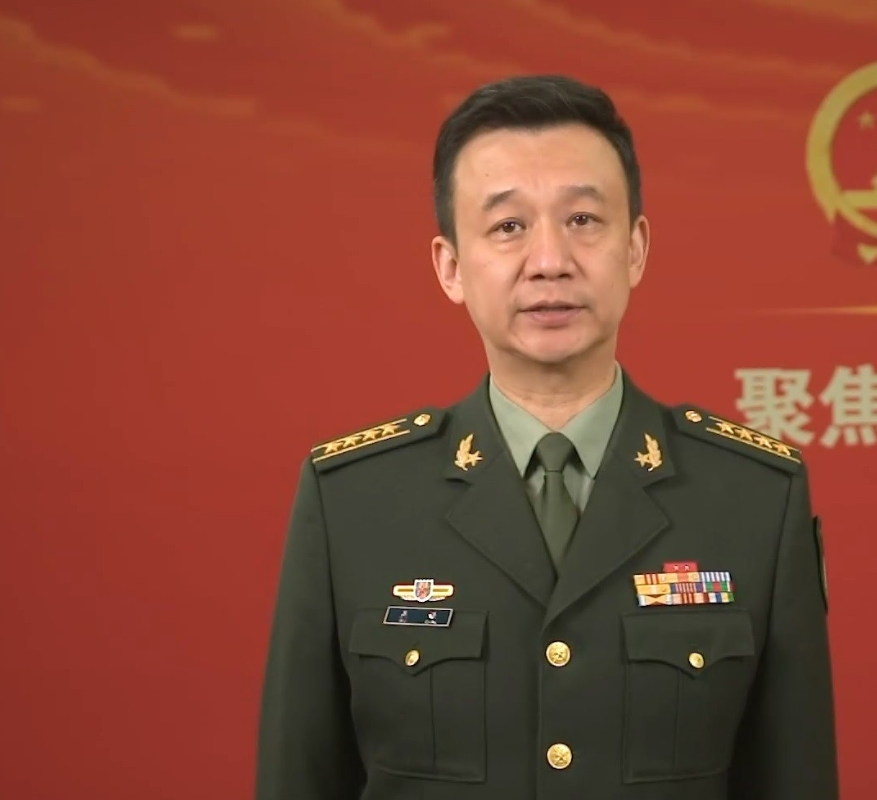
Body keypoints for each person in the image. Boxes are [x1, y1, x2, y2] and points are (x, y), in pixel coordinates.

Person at [254, 74, 839, 800]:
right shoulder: (353, 501)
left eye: (583, 219)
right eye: (508, 226)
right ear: (450, 266)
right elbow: (300, 775)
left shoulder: (753, 496)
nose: (550, 260)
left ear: (636, 248)